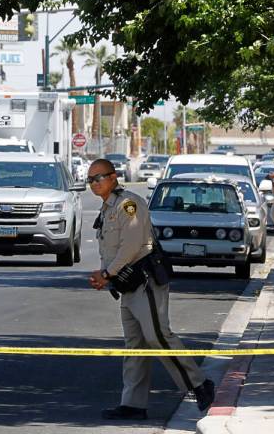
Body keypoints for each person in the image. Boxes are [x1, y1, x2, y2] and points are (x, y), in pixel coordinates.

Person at [87, 159, 215, 421]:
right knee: (135, 345)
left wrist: (106, 273)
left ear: (113, 177)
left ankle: (199, 384)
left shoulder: (128, 205)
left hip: (144, 282)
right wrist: (107, 277)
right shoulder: (107, 208)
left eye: (99, 178)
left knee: (158, 336)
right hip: (126, 285)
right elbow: (109, 249)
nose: (94, 184)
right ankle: (134, 403)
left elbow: (131, 246)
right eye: (90, 180)